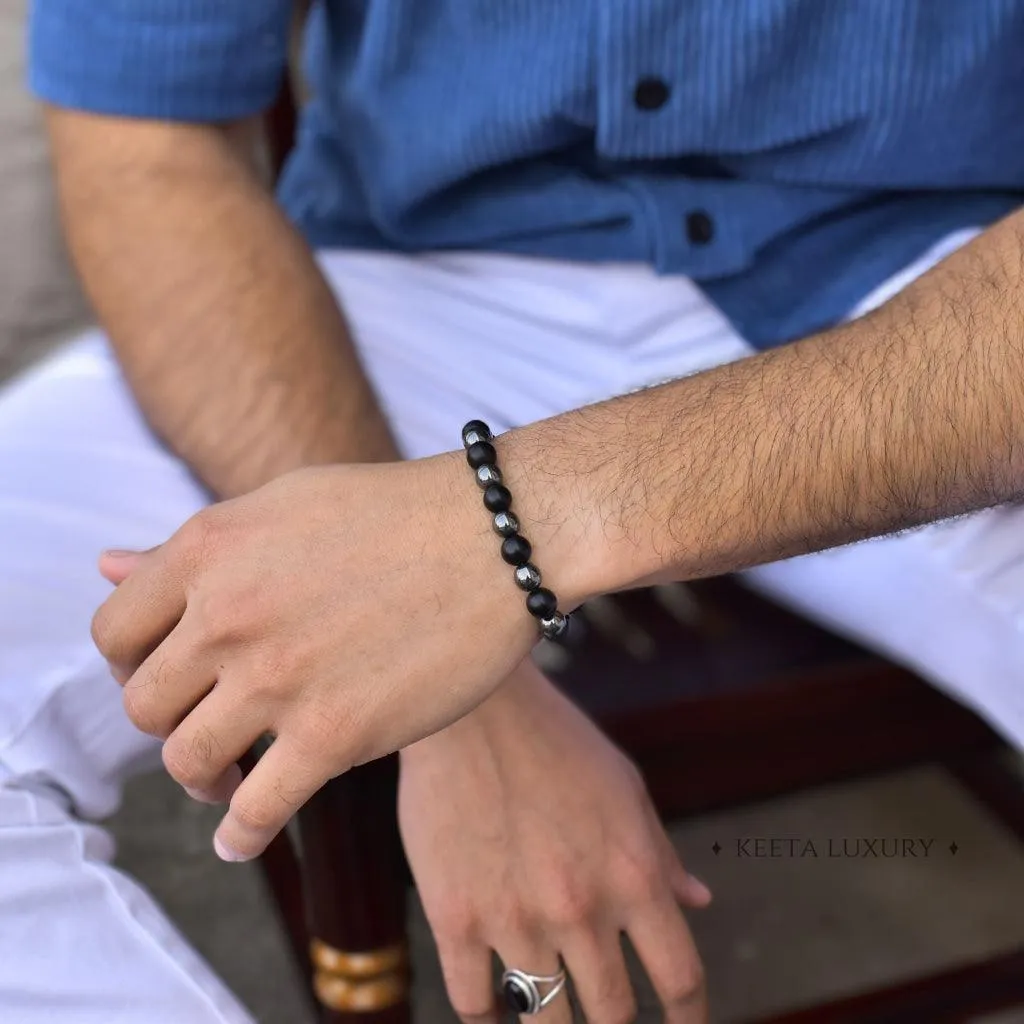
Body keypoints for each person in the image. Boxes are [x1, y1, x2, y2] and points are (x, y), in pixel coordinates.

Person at [4, 1, 1024, 1022]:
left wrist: (503, 540)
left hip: (941, 300)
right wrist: (457, 709)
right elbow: (145, 142)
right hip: (402, 288)